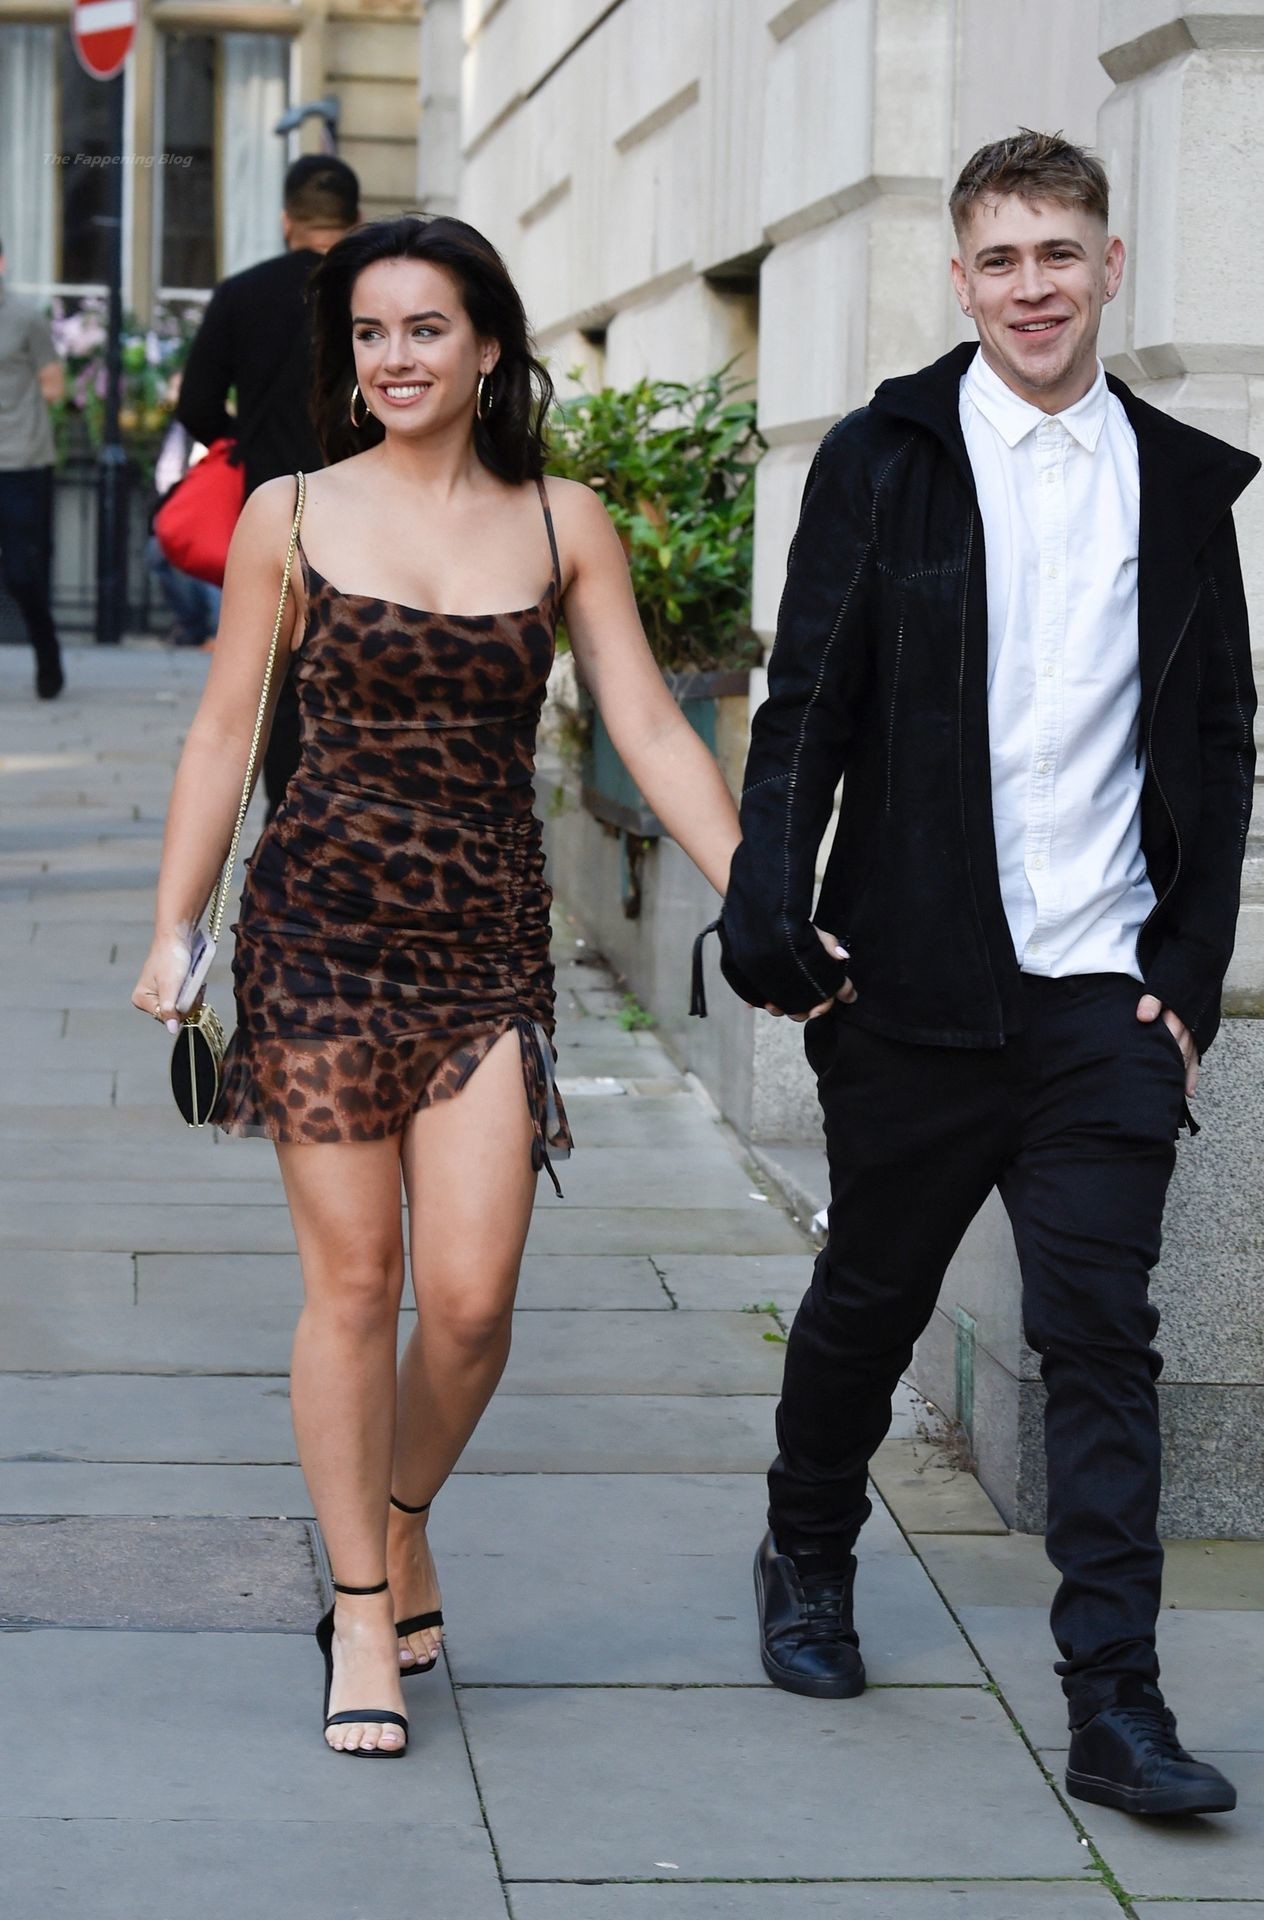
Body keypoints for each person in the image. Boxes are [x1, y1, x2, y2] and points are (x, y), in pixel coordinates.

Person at [131, 213, 742, 1757]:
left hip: (485, 953)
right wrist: (174, 925)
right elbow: (222, 731)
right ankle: (357, 1608)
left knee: (468, 1304)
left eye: (424, 330)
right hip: (317, 937)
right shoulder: (289, 513)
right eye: (370, 334)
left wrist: (762, 889)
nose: (394, 358)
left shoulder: (560, 522)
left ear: (487, 350)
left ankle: (401, 1518)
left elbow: (648, 725)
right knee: (353, 1286)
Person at [704, 130, 1261, 1819]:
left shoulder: (1178, 484)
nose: (1032, 287)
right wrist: (768, 913)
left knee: (1100, 1340)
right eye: (1001, 259)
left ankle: (1117, 1708)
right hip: (910, 987)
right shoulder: (885, 457)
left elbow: (1219, 738)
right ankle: (808, 1546)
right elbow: (806, 699)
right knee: (870, 1300)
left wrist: (1187, 976)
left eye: (1058, 253)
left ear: (1108, 268)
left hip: (1101, 997)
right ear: (960, 280)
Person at [175, 155, 360, 819]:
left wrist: (246, 438)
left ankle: (292, 813)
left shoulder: (242, 293)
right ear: (356, 221)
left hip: (275, 505)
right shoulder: (371, 291)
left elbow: (196, 405)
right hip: (368, 501)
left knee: (274, 675)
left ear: (287, 220)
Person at [0, 235, 67, 698]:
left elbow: (53, 384)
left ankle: (48, 655)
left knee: (23, 573)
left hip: (20, 458)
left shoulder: (25, 317)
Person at [146, 376, 222, 647]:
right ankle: (193, 627)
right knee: (159, 556)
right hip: (173, 507)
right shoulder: (174, 425)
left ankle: (213, 631)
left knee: (207, 567)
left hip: (198, 510)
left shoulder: (207, 425)